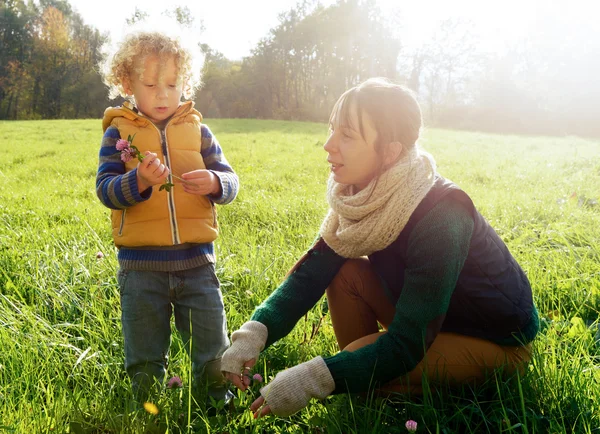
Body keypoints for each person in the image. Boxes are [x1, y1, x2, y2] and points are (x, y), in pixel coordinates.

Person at [221, 77, 539, 418]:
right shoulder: (362, 196)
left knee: (358, 365)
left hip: (495, 342)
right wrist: (253, 334)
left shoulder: (442, 216)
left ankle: (372, 383)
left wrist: (312, 378)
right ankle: (366, 378)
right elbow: (310, 275)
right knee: (345, 272)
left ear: (390, 151)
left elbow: (407, 343)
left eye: (347, 135)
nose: (328, 145)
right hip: (432, 321)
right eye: (331, 129)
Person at [96, 30, 238, 405]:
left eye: (173, 84)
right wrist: (138, 180)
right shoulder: (118, 134)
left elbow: (230, 180)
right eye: (151, 84)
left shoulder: (199, 130)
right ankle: (148, 409)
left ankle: (216, 405)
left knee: (212, 346)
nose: (163, 94)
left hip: (197, 264)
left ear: (185, 83)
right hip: (141, 268)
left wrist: (214, 182)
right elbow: (105, 189)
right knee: (144, 353)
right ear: (127, 83)